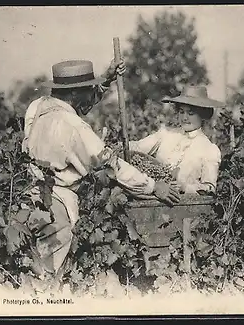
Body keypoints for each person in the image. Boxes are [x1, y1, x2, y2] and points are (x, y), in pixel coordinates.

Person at [21, 59, 180, 278]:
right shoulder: (74, 127)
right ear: (76, 93)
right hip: (56, 207)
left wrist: (106, 79)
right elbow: (110, 164)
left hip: (29, 197)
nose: (92, 96)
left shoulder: (38, 107)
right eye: (89, 90)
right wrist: (153, 186)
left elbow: (81, 104)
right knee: (51, 277)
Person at [129, 85, 225, 195]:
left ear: (202, 115)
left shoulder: (209, 150)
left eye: (190, 113)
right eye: (181, 112)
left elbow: (209, 188)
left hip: (183, 207)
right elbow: (136, 148)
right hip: (152, 199)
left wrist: (185, 187)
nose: (184, 118)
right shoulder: (165, 134)